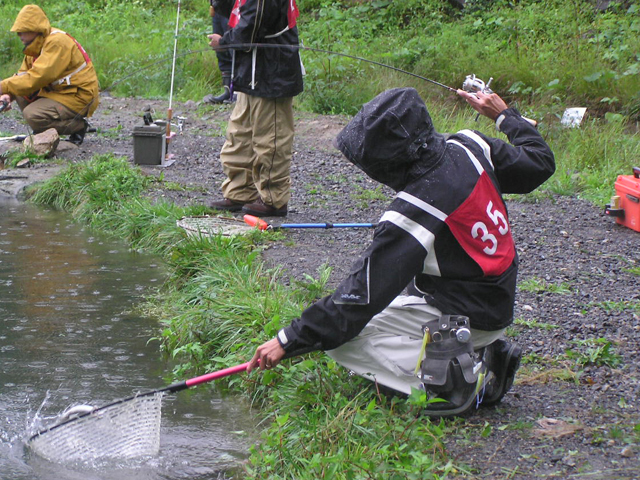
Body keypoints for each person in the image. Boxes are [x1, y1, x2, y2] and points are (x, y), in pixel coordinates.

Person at [246, 87, 556, 416]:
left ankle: (455, 381)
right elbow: (539, 163)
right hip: (495, 301)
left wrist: (288, 339)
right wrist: (505, 116)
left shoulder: (417, 208)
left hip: (472, 313)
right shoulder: (469, 144)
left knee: (341, 340)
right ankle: (481, 351)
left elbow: (360, 298)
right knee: (364, 312)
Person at [207, 0, 304, 217]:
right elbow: (235, 10)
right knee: (240, 134)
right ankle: (240, 192)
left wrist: (224, 41)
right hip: (251, 69)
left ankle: (273, 199)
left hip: (271, 71)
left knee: (270, 139)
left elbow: (251, 27)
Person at [0, 4, 99, 145]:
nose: (19, 35)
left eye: (22, 31)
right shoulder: (33, 46)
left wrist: (2, 86)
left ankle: (78, 127)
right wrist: (7, 95)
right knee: (19, 90)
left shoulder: (57, 43)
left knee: (32, 115)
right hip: (58, 92)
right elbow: (22, 77)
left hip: (77, 95)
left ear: (35, 29)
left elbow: (36, 78)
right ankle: (42, 131)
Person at [202, 0, 235, 104]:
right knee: (219, 47)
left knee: (232, 43)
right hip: (217, 5)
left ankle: (237, 92)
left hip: (233, 5)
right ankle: (227, 90)